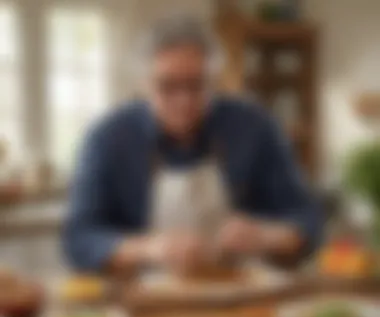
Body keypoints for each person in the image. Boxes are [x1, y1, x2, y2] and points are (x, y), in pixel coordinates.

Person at [63, 15, 323, 274]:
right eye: (167, 86)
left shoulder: (255, 128)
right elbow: (79, 239)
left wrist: (267, 236)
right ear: (143, 85)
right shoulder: (107, 139)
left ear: (215, 80)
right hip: (141, 302)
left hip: (243, 298)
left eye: (196, 85)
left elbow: (308, 219)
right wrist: (148, 249)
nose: (184, 101)